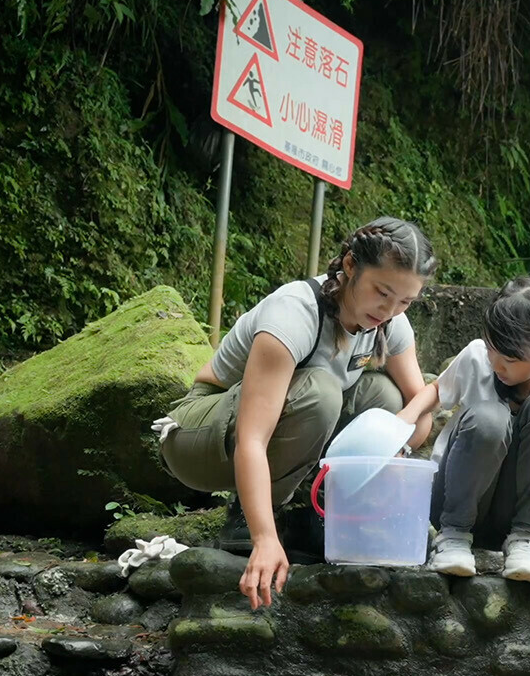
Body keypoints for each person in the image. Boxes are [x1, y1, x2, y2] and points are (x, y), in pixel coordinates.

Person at [157, 217, 438, 609]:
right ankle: (252, 514)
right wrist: (264, 539)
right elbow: (253, 438)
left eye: (405, 301)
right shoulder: (295, 312)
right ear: (351, 266)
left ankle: (315, 512)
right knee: (321, 393)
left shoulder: (390, 323)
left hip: (263, 431)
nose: (389, 310)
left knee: (387, 400)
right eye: (382, 292)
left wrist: (395, 431)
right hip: (197, 433)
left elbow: (420, 405)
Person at [397, 277, 530, 625]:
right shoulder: (478, 356)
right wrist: (401, 425)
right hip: (451, 506)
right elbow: (437, 390)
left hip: (513, 521)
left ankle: (525, 542)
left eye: (507, 358)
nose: (494, 362)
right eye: (491, 347)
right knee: (490, 416)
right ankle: (453, 538)